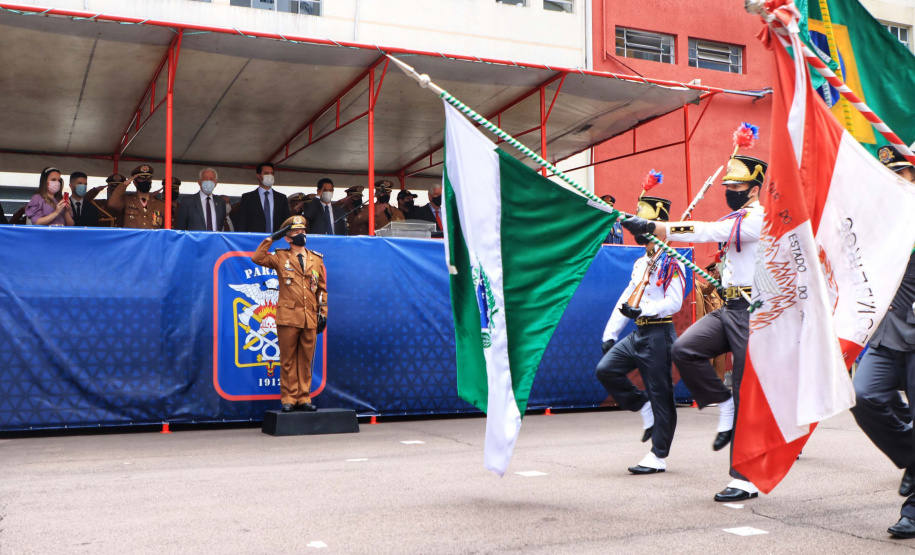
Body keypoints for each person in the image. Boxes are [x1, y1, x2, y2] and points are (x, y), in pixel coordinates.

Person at [621, 152, 766, 503]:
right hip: (730, 306)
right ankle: (722, 402)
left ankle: (744, 479)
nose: (729, 190)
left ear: (754, 188)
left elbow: (705, 230)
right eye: (728, 185)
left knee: (750, 394)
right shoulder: (737, 217)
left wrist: (658, 228)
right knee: (684, 350)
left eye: (737, 185)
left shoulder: (756, 219)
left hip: (754, 312)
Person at [845, 146, 915, 538]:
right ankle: (911, 455)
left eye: (900, 175)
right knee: (863, 395)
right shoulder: (885, 221)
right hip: (889, 333)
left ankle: (914, 509)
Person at [595, 180, 684, 475]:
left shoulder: (673, 261)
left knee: (663, 395)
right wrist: (611, 332)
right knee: (606, 369)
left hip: (659, 334)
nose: (634, 230)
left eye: (641, 223)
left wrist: (643, 309)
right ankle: (641, 407)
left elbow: (674, 303)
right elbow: (627, 297)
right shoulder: (640, 262)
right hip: (639, 334)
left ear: (655, 226)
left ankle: (658, 455)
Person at [251, 215, 327, 413]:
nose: (301, 235)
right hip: (288, 317)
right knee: (287, 359)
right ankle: (289, 398)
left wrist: (323, 314)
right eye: (295, 232)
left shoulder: (316, 260)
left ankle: (304, 397)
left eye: (303, 231)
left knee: (306, 359)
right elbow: (257, 258)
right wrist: (271, 238)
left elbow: (321, 290)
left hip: (309, 316)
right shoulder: (280, 256)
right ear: (287, 237)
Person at [236, 162, 289, 233]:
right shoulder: (248, 198)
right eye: (266, 173)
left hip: (276, 239)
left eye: (272, 173)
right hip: (255, 240)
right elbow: (242, 222)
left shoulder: (282, 198)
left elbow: (286, 222)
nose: (270, 176)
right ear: (258, 176)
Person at [175, 168, 227, 232]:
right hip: (195, 241)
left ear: (215, 183)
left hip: (214, 241)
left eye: (211, 179)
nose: (209, 181)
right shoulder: (188, 202)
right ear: (199, 182)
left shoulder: (221, 202)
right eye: (206, 179)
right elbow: (181, 228)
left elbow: (221, 226)